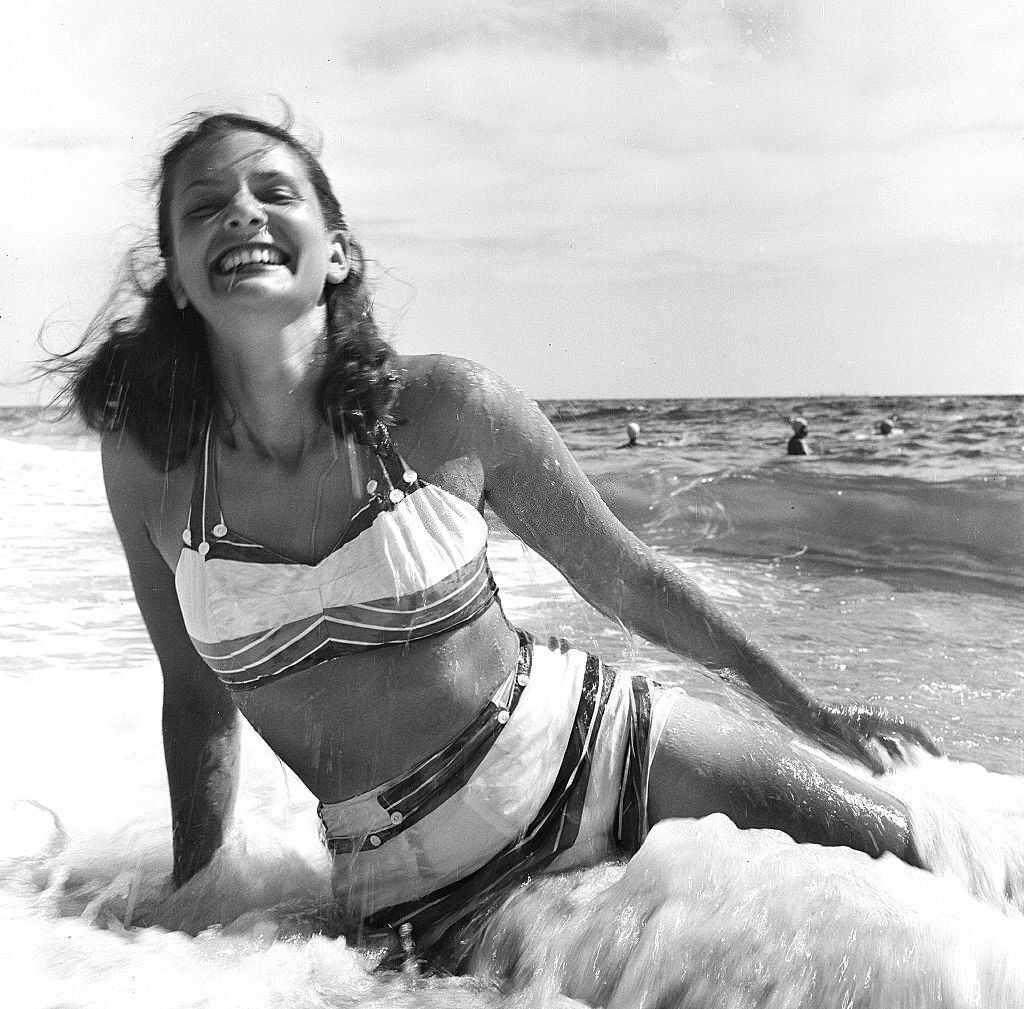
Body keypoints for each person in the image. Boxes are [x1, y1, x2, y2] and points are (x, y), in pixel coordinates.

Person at [52, 112, 937, 970]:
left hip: (604, 746)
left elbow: (630, 581)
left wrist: (813, 716)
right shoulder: (151, 467)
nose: (242, 211)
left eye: (274, 190)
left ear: (338, 252)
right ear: (175, 275)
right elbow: (197, 701)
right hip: (408, 888)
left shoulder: (448, 407)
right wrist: (190, 913)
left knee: (933, 880)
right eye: (204, 205)